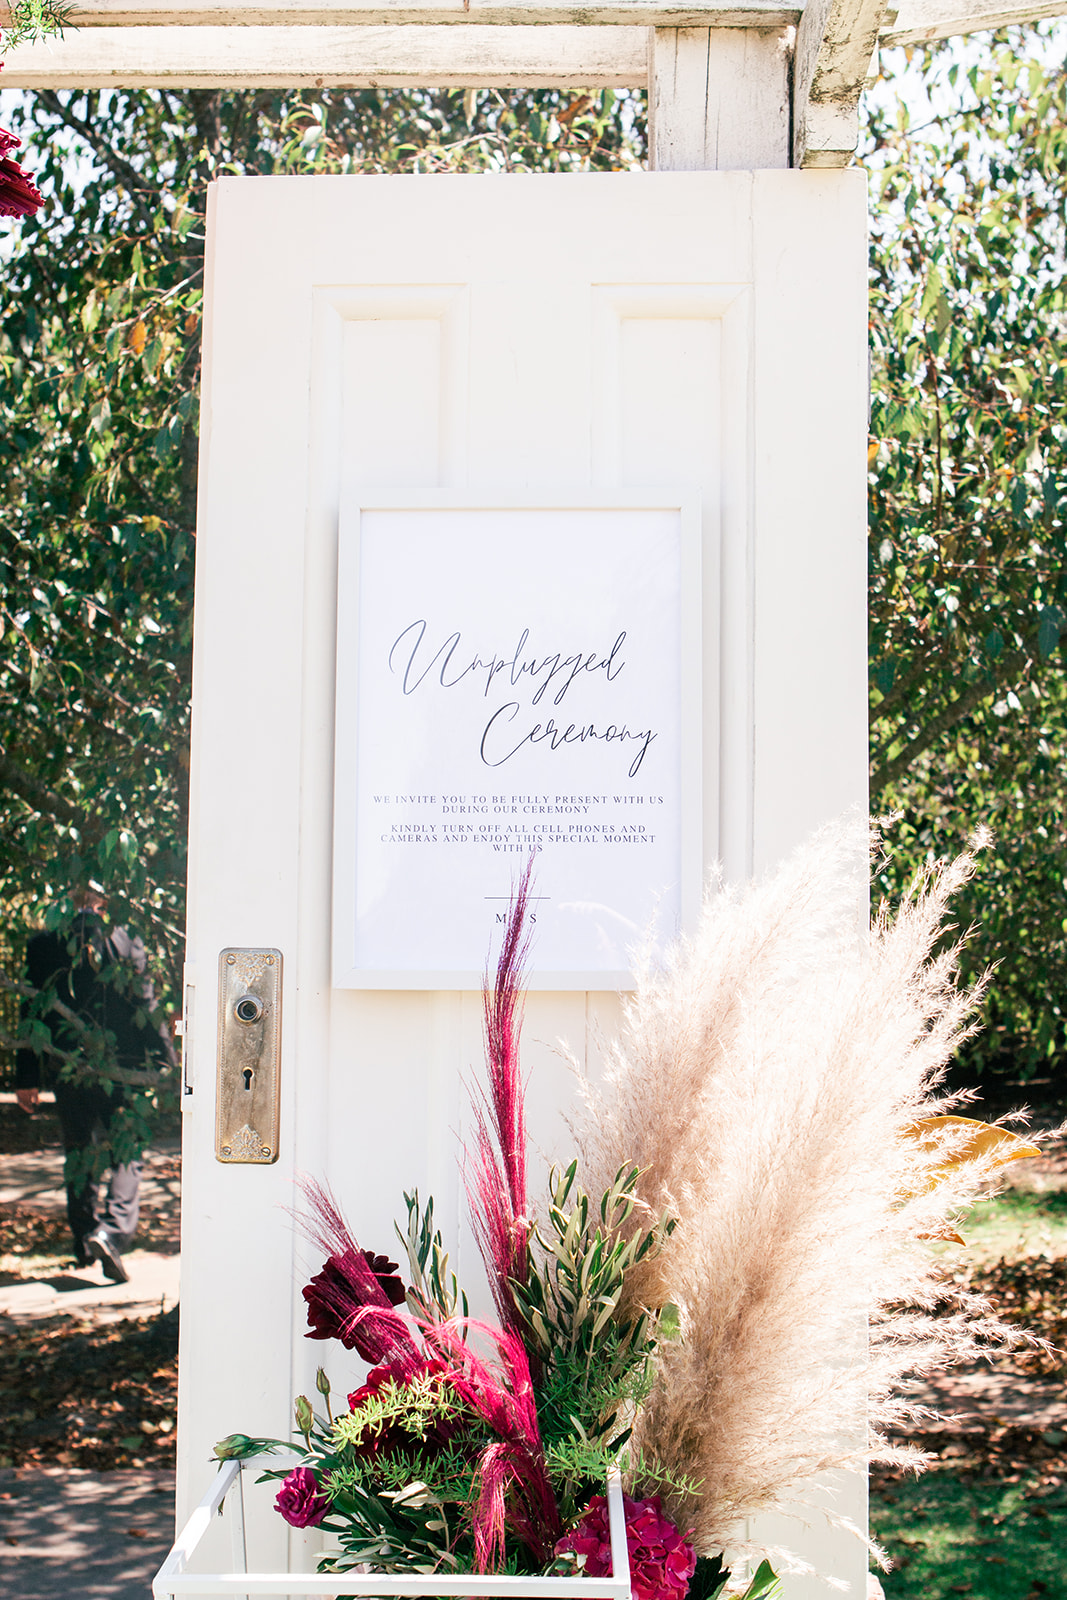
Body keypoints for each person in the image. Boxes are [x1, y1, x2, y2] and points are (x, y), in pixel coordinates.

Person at [15, 888, 175, 1284]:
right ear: (106, 902)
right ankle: (112, 1231)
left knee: (79, 1148)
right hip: (123, 1067)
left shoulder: (43, 943)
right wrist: (169, 1063)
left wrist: (27, 1077)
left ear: (70, 897)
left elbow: (31, 1009)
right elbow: (147, 1006)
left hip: (68, 1067)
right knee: (128, 1151)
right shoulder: (126, 939)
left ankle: (86, 1242)